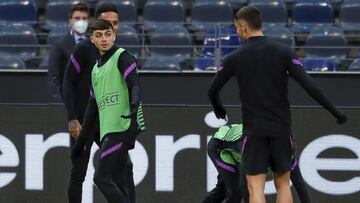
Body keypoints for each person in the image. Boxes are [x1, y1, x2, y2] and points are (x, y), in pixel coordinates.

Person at [208, 6, 347, 203]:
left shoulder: (234, 58)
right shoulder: (283, 52)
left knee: (255, 187)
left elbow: (212, 90)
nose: (237, 32)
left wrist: (218, 108)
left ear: (243, 26)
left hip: (254, 130)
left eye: (237, 28)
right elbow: (309, 85)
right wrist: (336, 112)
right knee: (283, 183)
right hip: (281, 129)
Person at [62, 3, 137, 203]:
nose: (112, 26)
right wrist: (72, 118)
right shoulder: (84, 48)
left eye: (115, 23)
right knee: (79, 173)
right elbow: (68, 81)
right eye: (107, 22)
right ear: (95, 26)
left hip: (109, 123)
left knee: (125, 169)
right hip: (84, 123)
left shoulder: (120, 54)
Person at [203, 124, 311, 203]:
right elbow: (244, 184)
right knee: (234, 193)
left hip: (238, 148)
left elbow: (299, 183)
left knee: (227, 191)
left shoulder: (288, 153)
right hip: (219, 147)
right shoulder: (253, 152)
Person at [48, 3, 89, 102]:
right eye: (77, 18)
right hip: (70, 103)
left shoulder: (94, 43)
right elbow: (54, 78)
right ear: (70, 20)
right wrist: (61, 106)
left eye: (84, 18)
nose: (81, 21)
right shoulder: (59, 45)